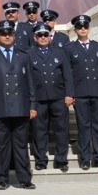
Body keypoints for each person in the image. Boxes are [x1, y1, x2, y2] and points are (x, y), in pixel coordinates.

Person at [0, 20, 37, 190]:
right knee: (1, 147)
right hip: (0, 109)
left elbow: (30, 82)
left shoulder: (24, 55)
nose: (7, 36)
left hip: (21, 107)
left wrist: (33, 105)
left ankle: (24, 178)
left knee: (21, 146)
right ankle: (1, 178)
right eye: (3, 34)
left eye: (10, 33)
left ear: (14, 36)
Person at [65, 14, 98, 171]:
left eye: (85, 26)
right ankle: (85, 158)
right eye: (79, 27)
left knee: (97, 127)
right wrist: (70, 94)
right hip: (80, 93)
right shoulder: (70, 48)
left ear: (89, 28)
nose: (83, 29)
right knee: (84, 127)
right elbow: (68, 74)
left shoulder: (97, 47)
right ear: (75, 30)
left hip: (96, 91)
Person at [28, 24, 74, 171]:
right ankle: (41, 159)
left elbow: (68, 75)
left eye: (45, 35)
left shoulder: (60, 53)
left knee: (61, 129)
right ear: (35, 38)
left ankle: (61, 159)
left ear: (49, 37)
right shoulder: (29, 54)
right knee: (39, 131)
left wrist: (69, 94)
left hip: (58, 97)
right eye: (40, 35)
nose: (43, 38)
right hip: (39, 99)